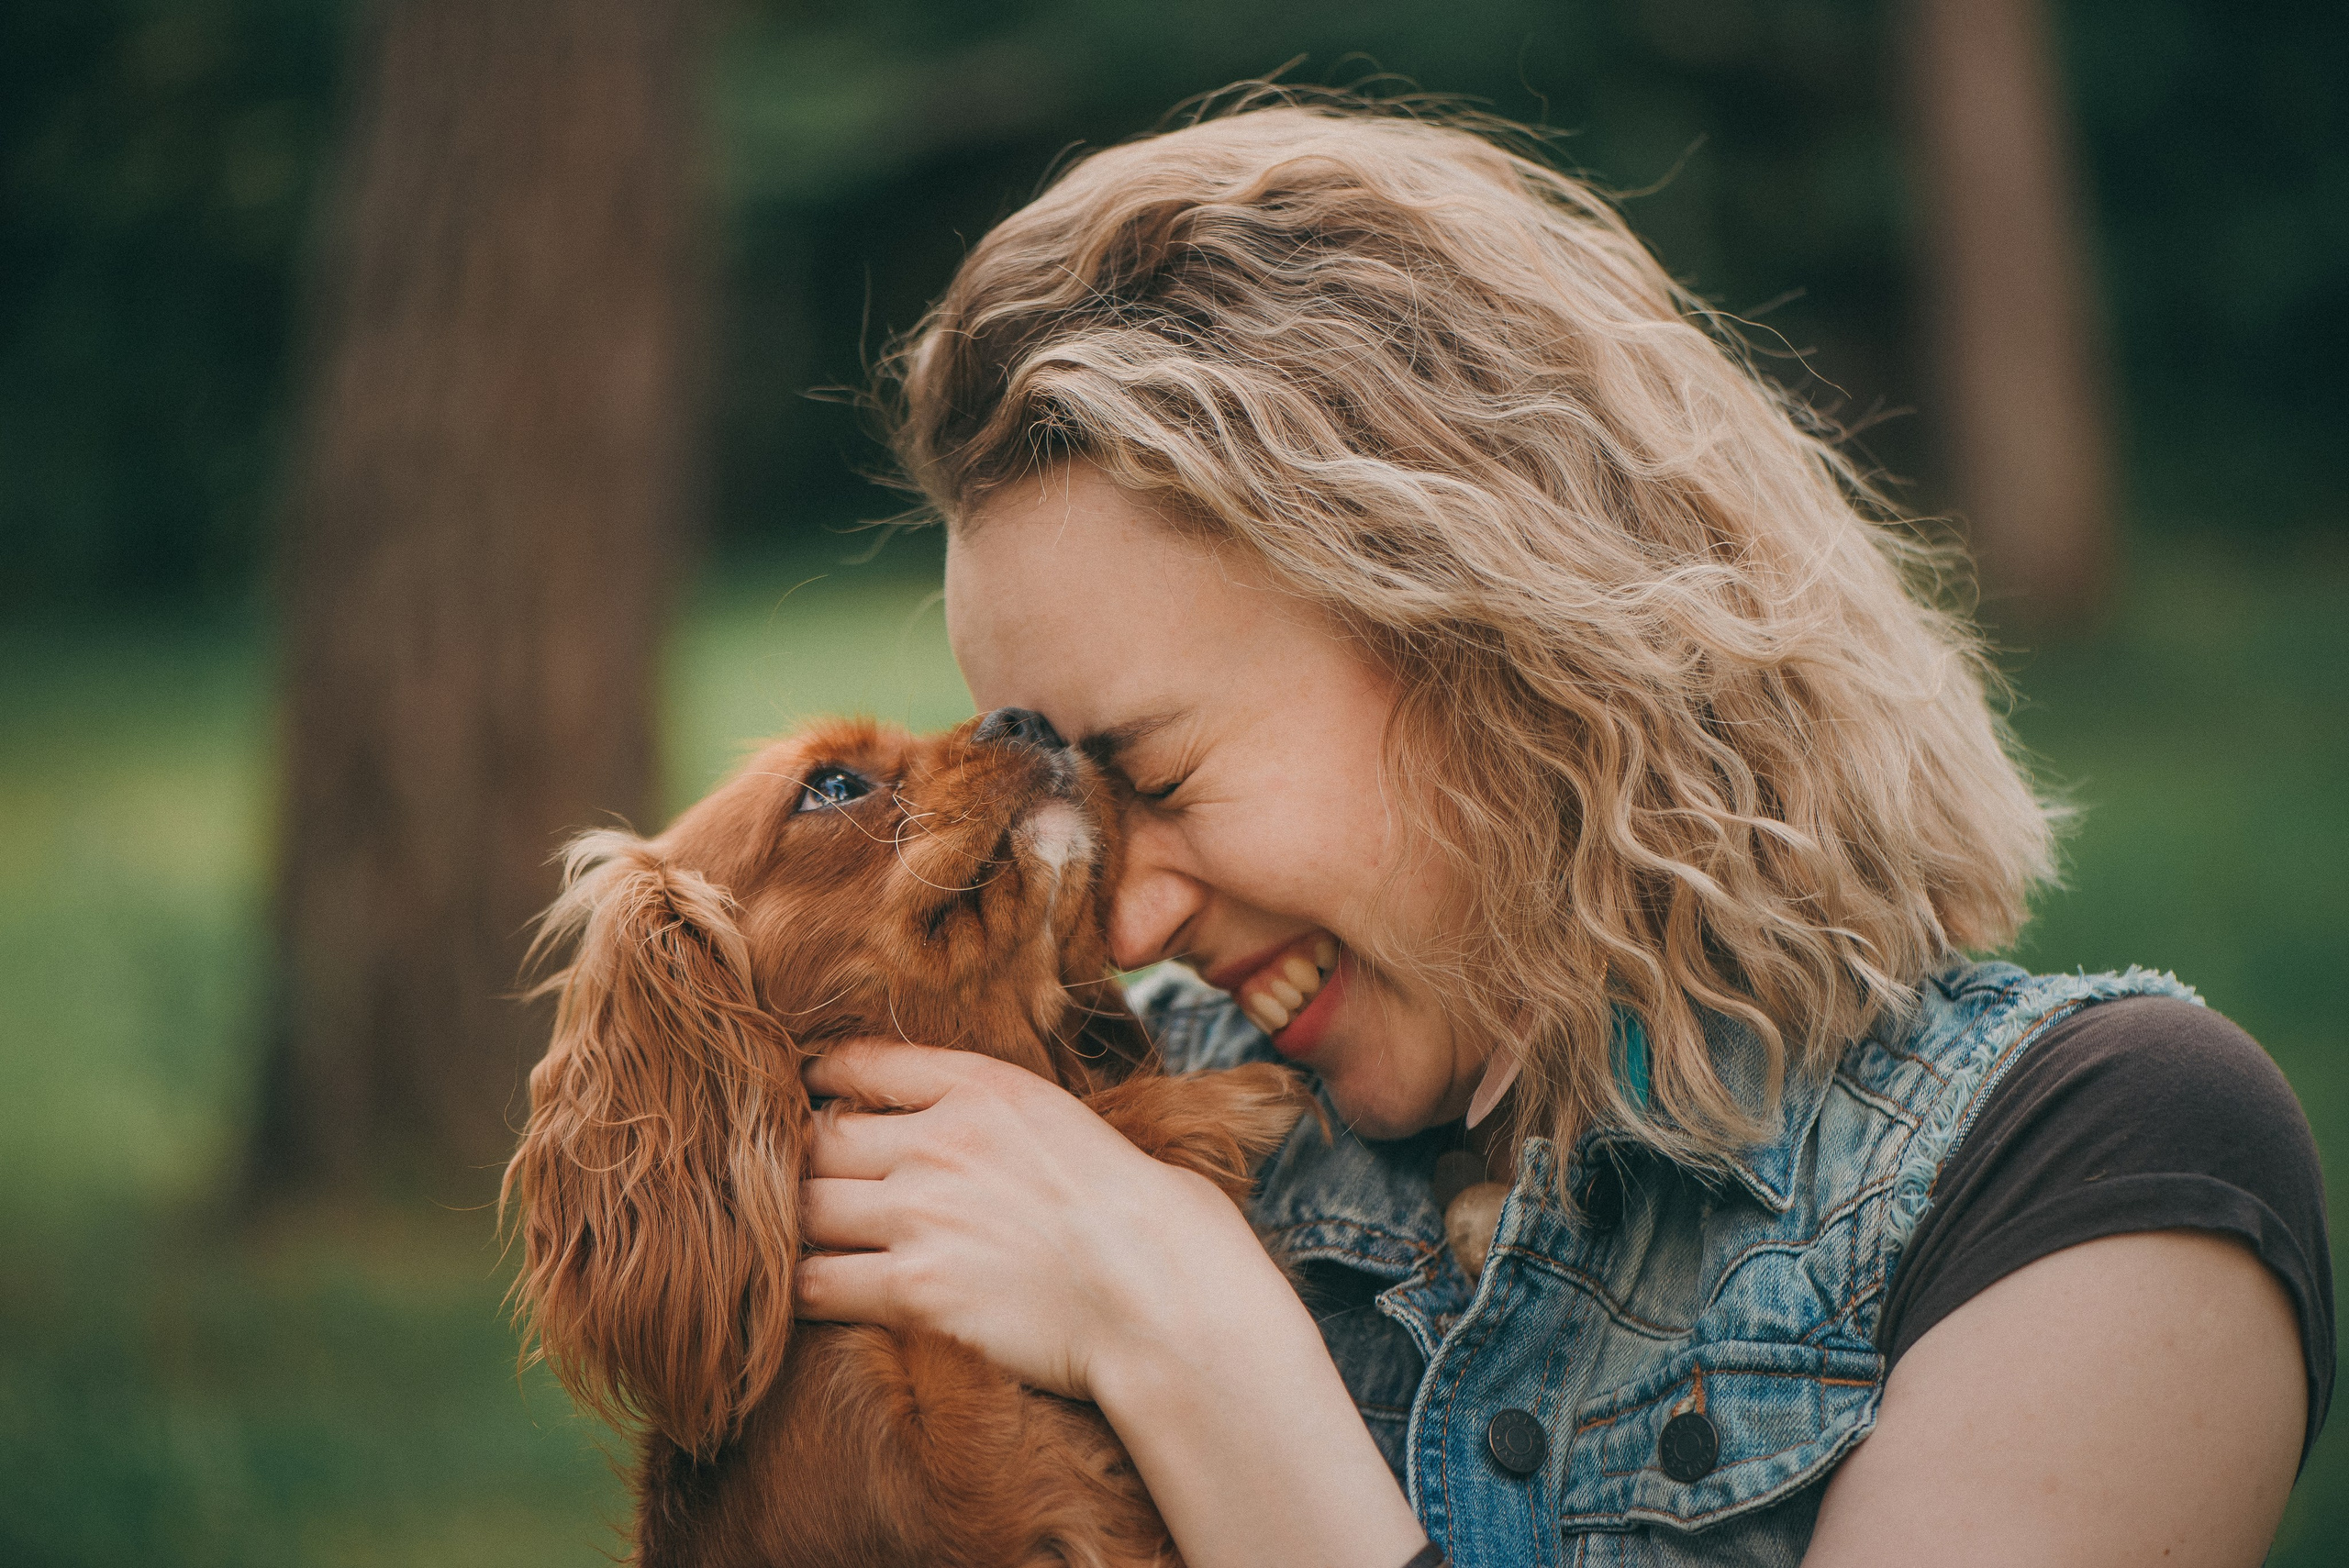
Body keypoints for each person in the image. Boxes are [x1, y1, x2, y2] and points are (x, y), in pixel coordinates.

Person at [791, 100, 2331, 1567]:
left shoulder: (2088, 1170)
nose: (1125, 932)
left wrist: (1183, 1337)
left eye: (1164, 778)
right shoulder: (1125, 1132)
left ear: (1493, 644)